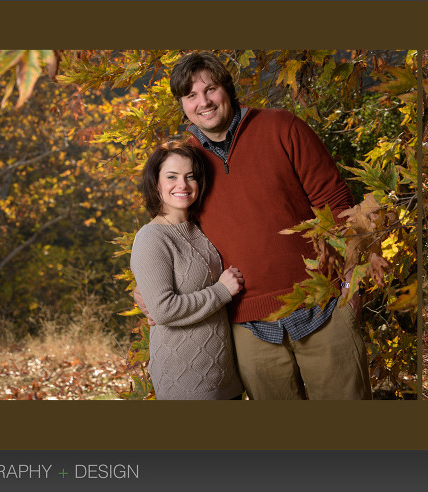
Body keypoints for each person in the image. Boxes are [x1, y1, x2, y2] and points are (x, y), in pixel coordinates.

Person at [134, 51, 372, 400]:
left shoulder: (282, 127)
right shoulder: (188, 163)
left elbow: (336, 203)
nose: (204, 102)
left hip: (323, 305)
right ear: (182, 104)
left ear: (227, 89)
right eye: (191, 96)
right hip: (247, 326)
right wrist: (146, 289)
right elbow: (174, 233)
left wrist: (353, 277)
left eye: (210, 89)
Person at [130, 140, 245, 400]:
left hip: (224, 374)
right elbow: (163, 309)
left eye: (189, 177)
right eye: (172, 177)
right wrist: (221, 291)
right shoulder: (152, 237)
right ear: (155, 183)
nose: (182, 185)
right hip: (185, 378)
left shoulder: (199, 228)